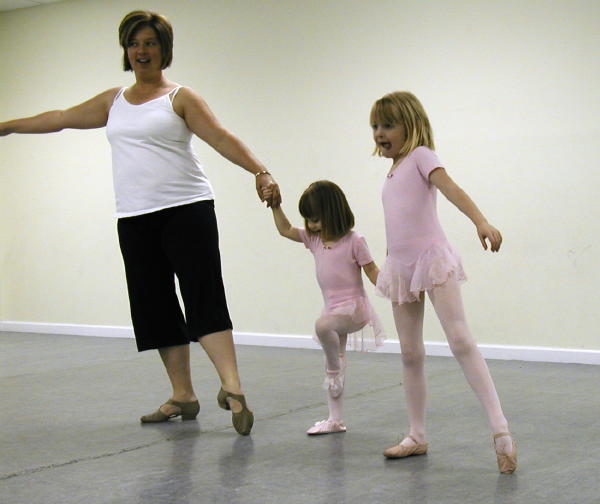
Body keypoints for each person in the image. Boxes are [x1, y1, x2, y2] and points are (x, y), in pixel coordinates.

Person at [0, 10, 281, 436]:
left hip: (187, 210)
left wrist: (261, 171)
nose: (141, 51)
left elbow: (221, 137)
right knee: (155, 306)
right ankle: (183, 395)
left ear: (164, 50)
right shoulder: (113, 101)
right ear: (125, 51)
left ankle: (233, 387)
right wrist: (8, 127)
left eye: (149, 43)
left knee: (203, 294)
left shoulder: (181, 98)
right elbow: (58, 118)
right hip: (134, 218)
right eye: (134, 43)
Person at [370, 91, 517, 473]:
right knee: (409, 353)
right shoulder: (391, 171)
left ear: (411, 125)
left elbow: (451, 188)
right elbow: (397, 225)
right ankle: (416, 434)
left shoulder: (420, 156)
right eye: (374, 126)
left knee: (460, 339)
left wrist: (480, 221)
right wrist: (387, 269)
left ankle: (501, 431)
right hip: (402, 267)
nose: (379, 133)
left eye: (387, 125)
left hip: (432, 261)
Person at [267, 180, 385, 435]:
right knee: (331, 351)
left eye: (316, 219)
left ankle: (336, 365)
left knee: (322, 329)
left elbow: (372, 271)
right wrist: (275, 206)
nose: (311, 225)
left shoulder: (355, 240)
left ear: (334, 213)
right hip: (333, 310)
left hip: (355, 309)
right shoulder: (314, 240)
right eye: (308, 220)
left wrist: (391, 287)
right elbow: (285, 229)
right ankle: (335, 419)